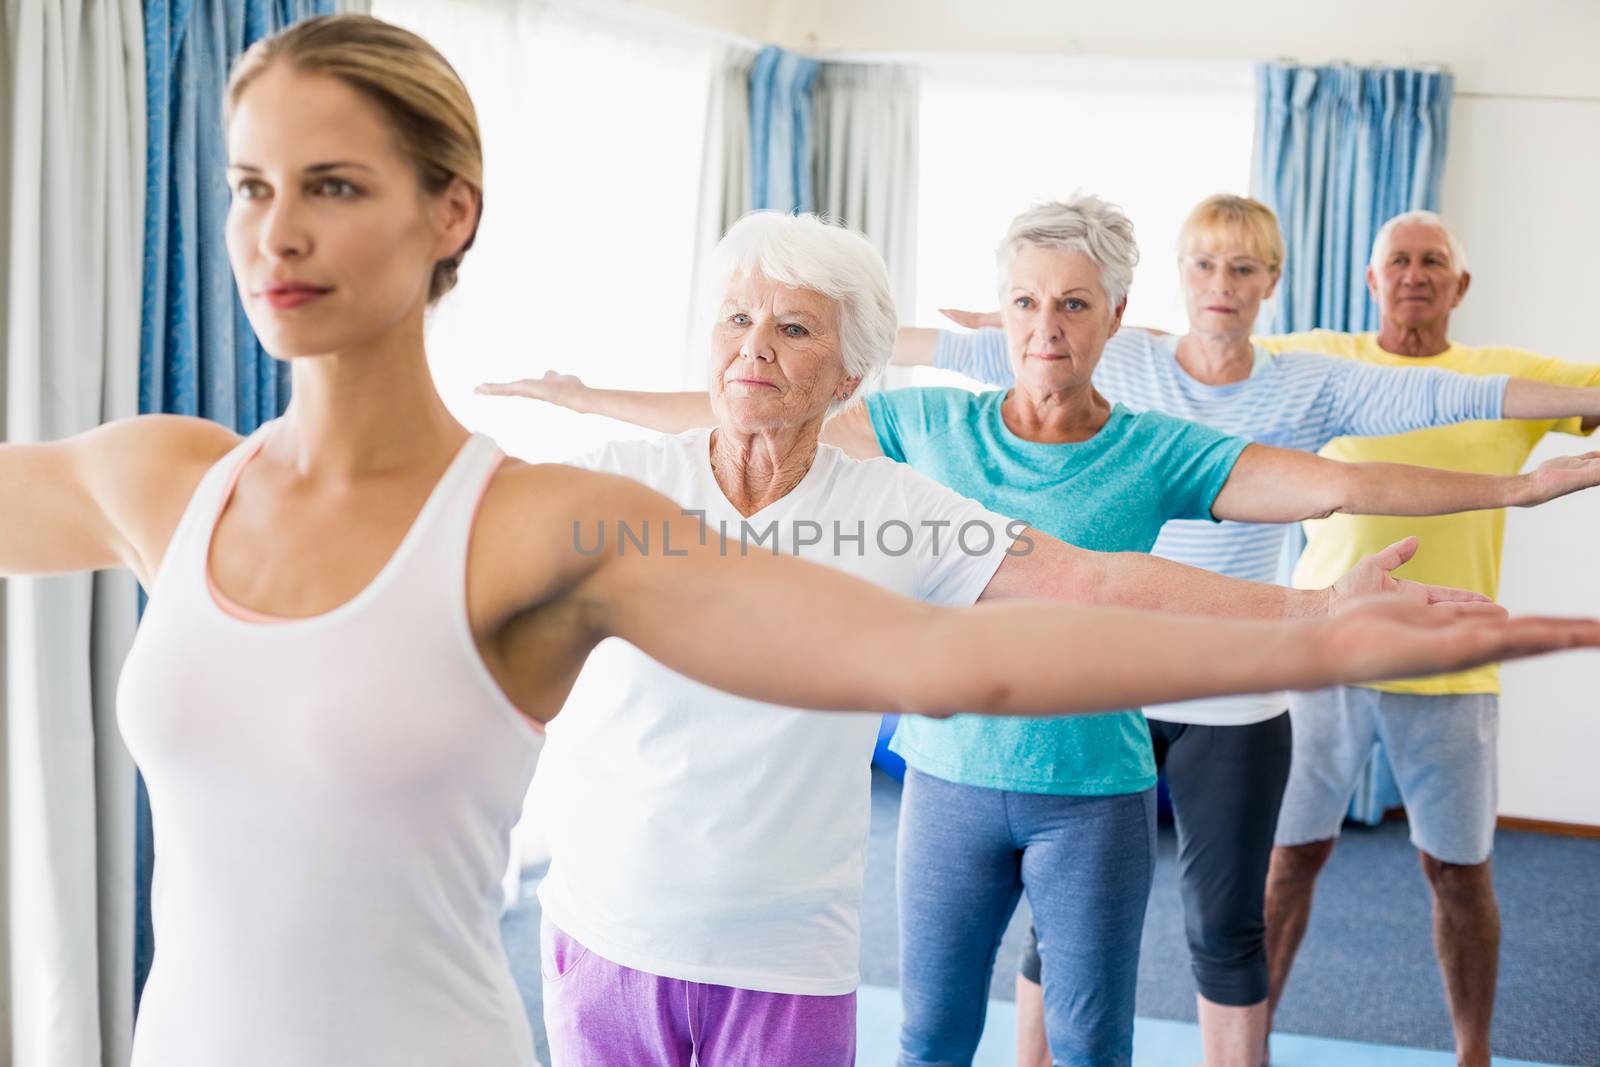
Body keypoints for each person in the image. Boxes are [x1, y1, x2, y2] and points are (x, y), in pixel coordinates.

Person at [15, 16, 1591, 1067]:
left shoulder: (573, 520)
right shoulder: (169, 475)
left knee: (1092, 1004)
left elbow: (984, 632)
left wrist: (1314, 636)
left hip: (812, 917)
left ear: (448, 214)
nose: (272, 231)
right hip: (567, 943)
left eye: (333, 183)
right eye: (245, 186)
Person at [480, 196, 1600, 1067]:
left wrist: (1327, 603)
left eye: (790, 328)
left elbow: (1102, 574)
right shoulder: (640, 483)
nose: (752, 348)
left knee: (1114, 1008)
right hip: (626, 919)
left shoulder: (912, 500)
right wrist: (584, 400)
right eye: (734, 319)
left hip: (832, 923)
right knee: (936, 1032)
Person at [901, 194, 1600, 1067]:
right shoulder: (1128, 355)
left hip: (1236, 694)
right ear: (1172, 282)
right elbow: (948, 343)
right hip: (1116, 688)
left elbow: (1432, 408)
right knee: (1061, 925)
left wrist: (1523, 484)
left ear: (1273, 279)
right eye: (1203, 265)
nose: (1221, 285)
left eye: (1242, 267)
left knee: (1224, 926)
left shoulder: (1302, 379)